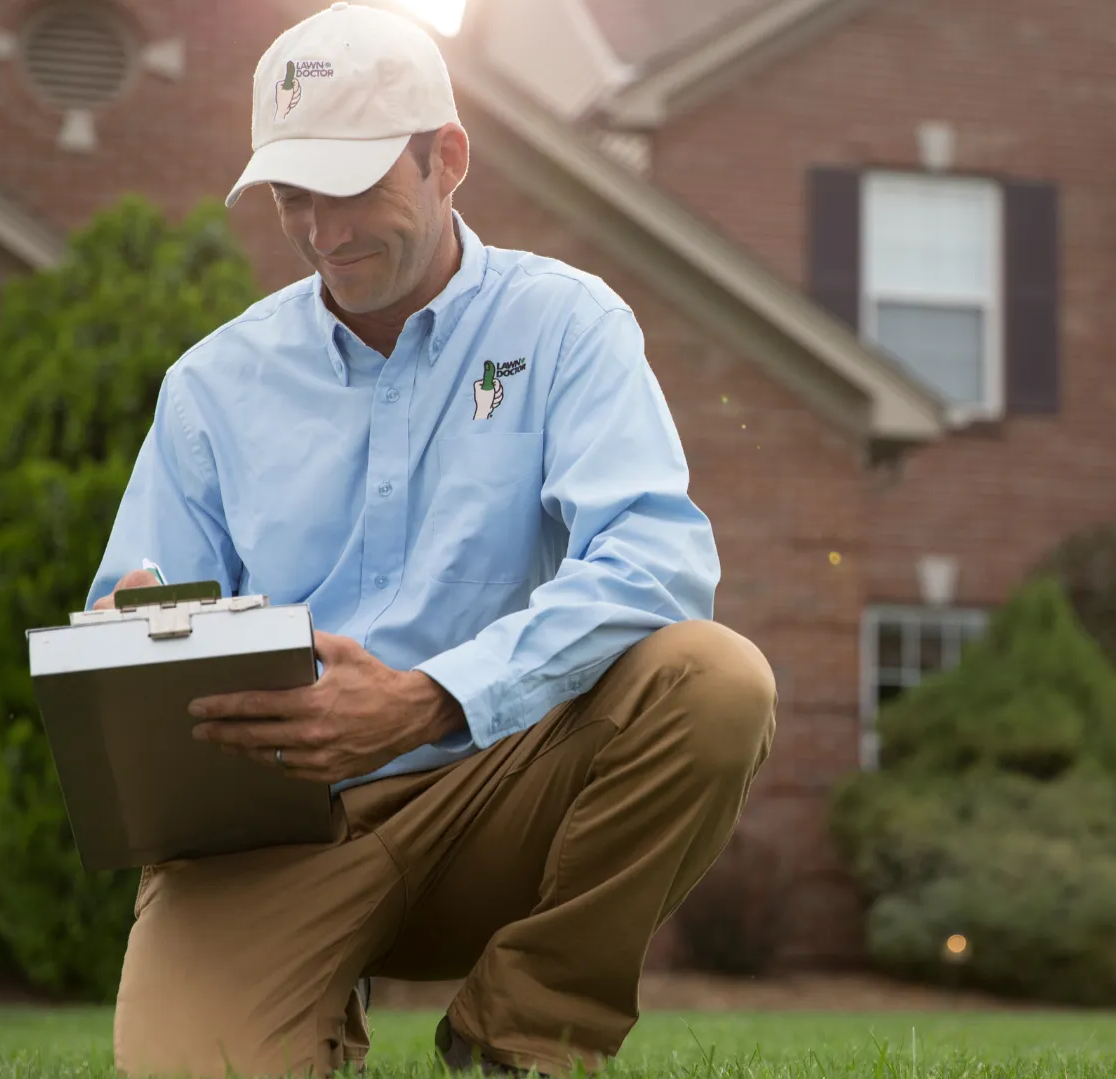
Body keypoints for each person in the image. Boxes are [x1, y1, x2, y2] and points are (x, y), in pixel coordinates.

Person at [85, 4, 776, 1075]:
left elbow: (658, 560)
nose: (323, 229)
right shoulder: (211, 384)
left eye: (353, 186)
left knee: (712, 680)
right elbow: (125, 628)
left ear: (446, 158)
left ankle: (526, 1032)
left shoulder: (563, 325)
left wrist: (429, 697)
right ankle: (309, 1010)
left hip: (497, 795)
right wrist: (136, 633)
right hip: (275, 832)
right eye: (293, 196)